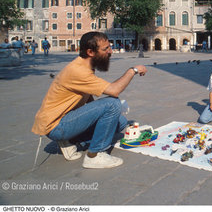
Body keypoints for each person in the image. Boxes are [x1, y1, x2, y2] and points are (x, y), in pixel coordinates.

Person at [32, 31, 147, 169]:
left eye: (109, 47)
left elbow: (87, 95)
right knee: (113, 104)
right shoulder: (78, 71)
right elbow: (114, 90)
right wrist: (133, 70)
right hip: (56, 125)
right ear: (90, 52)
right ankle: (95, 155)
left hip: (64, 119)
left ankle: (72, 141)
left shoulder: (84, 65)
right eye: (106, 49)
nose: (110, 52)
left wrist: (100, 116)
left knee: (120, 122)